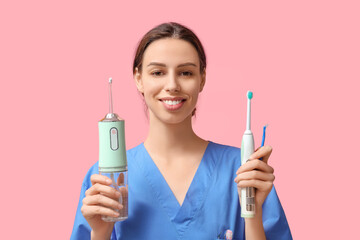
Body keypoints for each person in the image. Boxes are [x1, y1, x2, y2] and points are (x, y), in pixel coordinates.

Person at [70, 22, 292, 240]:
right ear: (139, 79)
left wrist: (252, 216)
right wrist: (99, 234)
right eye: (157, 72)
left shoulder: (244, 171)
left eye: (185, 73)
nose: (172, 85)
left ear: (202, 79)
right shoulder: (104, 180)